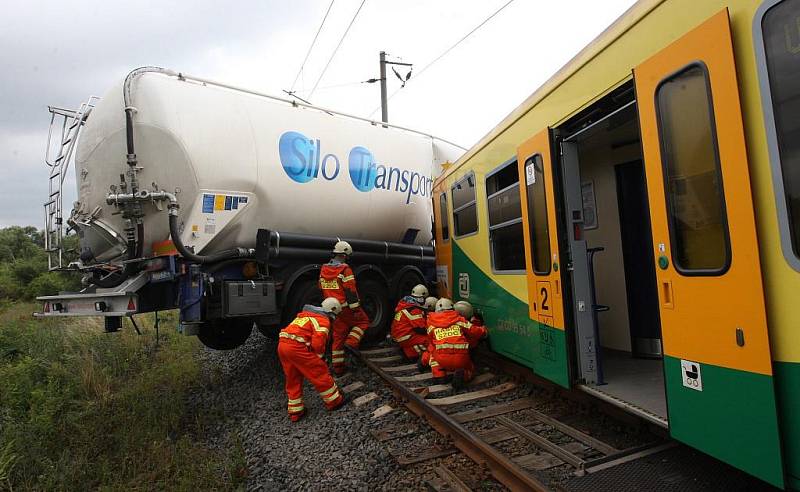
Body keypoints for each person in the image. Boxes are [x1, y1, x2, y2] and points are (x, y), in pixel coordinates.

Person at [278, 297, 346, 422]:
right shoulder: (323, 320)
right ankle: (335, 401)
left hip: (282, 345)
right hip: (296, 347)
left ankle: (295, 411)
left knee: (293, 377)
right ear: (332, 312)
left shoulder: (306, 315)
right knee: (319, 372)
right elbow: (318, 343)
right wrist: (320, 359)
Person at [319, 241, 370, 374]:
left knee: (338, 337)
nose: (347, 258)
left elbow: (320, 287)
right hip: (345, 307)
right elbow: (350, 291)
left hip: (333, 310)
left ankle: (338, 368)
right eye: (347, 256)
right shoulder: (345, 270)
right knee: (363, 322)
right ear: (343, 255)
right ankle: (351, 343)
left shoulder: (324, 269)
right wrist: (356, 309)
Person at [422, 298, 487, 389]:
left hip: (442, 360)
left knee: (433, 353)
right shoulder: (459, 319)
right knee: (470, 367)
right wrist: (484, 330)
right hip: (461, 359)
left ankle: (439, 375)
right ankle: (464, 374)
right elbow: (474, 331)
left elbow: (430, 342)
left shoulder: (431, 323)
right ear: (453, 308)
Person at [390, 284, 430, 360]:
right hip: (405, 337)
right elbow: (420, 329)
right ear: (421, 298)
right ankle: (409, 353)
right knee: (430, 341)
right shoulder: (414, 310)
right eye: (425, 298)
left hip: (400, 335)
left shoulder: (406, 304)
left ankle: (406, 350)